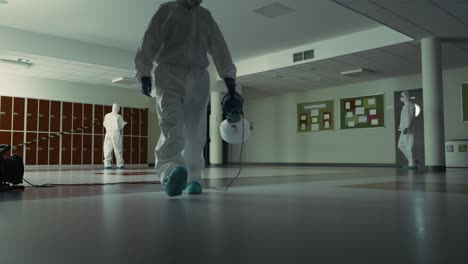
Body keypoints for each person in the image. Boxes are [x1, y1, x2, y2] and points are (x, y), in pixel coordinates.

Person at [135, 0, 237, 196]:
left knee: (195, 132)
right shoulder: (167, 10)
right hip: (169, 73)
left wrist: (229, 76)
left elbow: (219, 46)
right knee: (172, 126)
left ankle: (194, 178)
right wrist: (144, 72)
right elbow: (149, 40)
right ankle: (169, 174)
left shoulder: (205, 16)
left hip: (198, 76)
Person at [103, 103, 126, 169]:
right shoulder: (119, 116)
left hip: (108, 133)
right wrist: (124, 123)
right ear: (118, 108)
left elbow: (104, 124)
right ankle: (119, 164)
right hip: (115, 133)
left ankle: (107, 163)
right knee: (117, 148)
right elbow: (121, 126)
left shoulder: (107, 115)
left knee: (107, 148)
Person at [398, 91, 416, 169]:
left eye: (402, 96)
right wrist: (401, 126)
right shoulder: (405, 106)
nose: (401, 97)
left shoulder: (409, 105)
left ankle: (411, 164)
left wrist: (406, 128)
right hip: (404, 129)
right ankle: (411, 162)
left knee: (407, 146)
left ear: (407, 97)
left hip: (407, 129)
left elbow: (409, 118)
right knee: (400, 145)